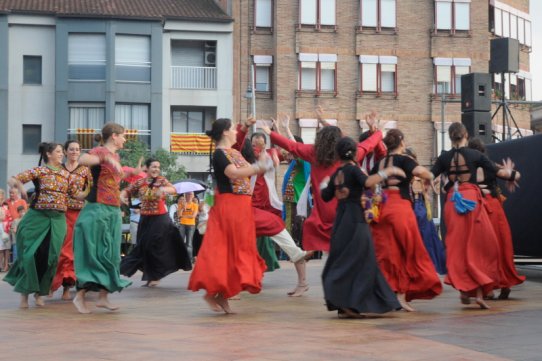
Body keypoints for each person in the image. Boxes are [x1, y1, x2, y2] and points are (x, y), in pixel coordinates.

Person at [265, 108, 384, 252]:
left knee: (327, 242)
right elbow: (369, 144)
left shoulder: (313, 152)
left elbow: (292, 146)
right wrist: (377, 132)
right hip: (346, 209)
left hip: (323, 211)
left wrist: (271, 133)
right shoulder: (351, 153)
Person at [431, 122, 518, 309]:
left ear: (450, 137)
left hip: (454, 201)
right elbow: (499, 172)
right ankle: (479, 293)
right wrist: (514, 175)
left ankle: (464, 290)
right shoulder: (475, 155)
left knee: (458, 247)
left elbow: (430, 175)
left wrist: (428, 184)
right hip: (471, 199)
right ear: (466, 135)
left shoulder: (444, 157)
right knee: (480, 246)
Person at [188, 118, 267, 314]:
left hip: (241, 205)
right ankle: (213, 291)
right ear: (224, 132)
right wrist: (258, 167)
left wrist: (246, 127)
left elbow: (239, 140)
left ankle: (222, 295)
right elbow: (233, 173)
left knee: (237, 248)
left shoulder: (233, 151)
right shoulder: (219, 154)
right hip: (229, 205)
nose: (235, 131)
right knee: (228, 248)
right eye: (232, 128)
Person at [321, 137, 402, 318]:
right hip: (356, 220)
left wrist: (324, 184)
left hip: (341, 222)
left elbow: (325, 196)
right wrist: (389, 171)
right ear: (354, 153)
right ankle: (352, 303)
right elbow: (367, 182)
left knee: (344, 260)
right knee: (364, 262)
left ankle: (344, 302)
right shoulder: (353, 170)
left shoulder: (337, 173)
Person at [370, 129, 442, 312]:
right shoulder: (405, 160)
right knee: (408, 251)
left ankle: (388, 294)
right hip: (400, 207)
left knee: (387, 254)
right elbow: (424, 172)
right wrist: (428, 178)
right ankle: (401, 296)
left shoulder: (379, 163)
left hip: (382, 209)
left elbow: (369, 183)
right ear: (401, 141)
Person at [4, 142, 83, 308]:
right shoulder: (39, 171)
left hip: (58, 219)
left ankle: (41, 292)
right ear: (48, 154)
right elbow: (12, 179)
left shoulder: (66, 174)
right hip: (37, 217)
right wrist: (19, 186)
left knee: (51, 257)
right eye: (59, 151)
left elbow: (78, 194)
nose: (62, 154)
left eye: (62, 152)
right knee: (29, 255)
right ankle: (24, 294)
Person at [239, 122, 314, 296]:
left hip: (270, 209)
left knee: (289, 245)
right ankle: (243, 282)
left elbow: (293, 148)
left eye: (260, 144)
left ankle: (303, 283)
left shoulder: (273, 154)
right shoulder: (246, 157)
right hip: (249, 209)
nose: (257, 148)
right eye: (254, 145)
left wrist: (280, 132)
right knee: (242, 247)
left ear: (265, 144)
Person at [72, 123, 132, 314]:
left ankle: (103, 297)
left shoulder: (116, 156)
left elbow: (112, 181)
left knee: (112, 255)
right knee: (94, 254)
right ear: (114, 136)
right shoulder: (100, 151)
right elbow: (83, 159)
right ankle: (80, 296)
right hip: (97, 210)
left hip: (113, 211)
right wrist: (104, 156)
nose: (125, 139)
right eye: (123, 136)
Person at [120, 158, 192, 287]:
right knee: (144, 248)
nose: (156, 169)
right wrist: (121, 196)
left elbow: (173, 190)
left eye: (158, 167)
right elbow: (127, 191)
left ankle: (155, 276)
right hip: (145, 219)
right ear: (147, 168)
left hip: (160, 219)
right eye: (153, 167)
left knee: (154, 246)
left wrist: (163, 190)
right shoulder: (140, 182)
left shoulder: (161, 181)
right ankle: (151, 275)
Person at [468, 138, 524, 299]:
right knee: (501, 245)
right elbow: (516, 175)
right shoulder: (490, 165)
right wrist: (511, 176)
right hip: (494, 207)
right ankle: (504, 283)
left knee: (482, 249)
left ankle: (488, 287)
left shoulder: (467, 169)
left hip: (478, 209)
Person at [50, 140, 92, 300]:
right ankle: (52, 283)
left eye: (77, 149)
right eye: (71, 149)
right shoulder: (58, 169)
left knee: (73, 251)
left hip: (79, 214)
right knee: (58, 249)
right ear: (65, 151)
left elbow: (91, 190)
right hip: (59, 213)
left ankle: (67, 286)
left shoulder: (85, 171)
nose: (74, 152)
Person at [404, 147, 447, 275]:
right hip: (414, 207)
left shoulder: (418, 173)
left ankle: (427, 269)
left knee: (426, 239)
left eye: (409, 159)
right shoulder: (408, 173)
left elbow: (432, 188)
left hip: (420, 209)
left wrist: (432, 186)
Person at [178, 191, 199, 259]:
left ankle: (189, 259)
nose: (189, 195)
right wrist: (182, 208)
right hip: (182, 224)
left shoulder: (195, 205)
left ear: (193, 196)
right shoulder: (181, 204)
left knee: (189, 243)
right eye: (188, 194)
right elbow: (179, 215)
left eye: (191, 194)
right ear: (185, 195)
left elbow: (193, 216)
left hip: (191, 225)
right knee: (181, 241)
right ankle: (180, 259)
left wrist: (183, 216)